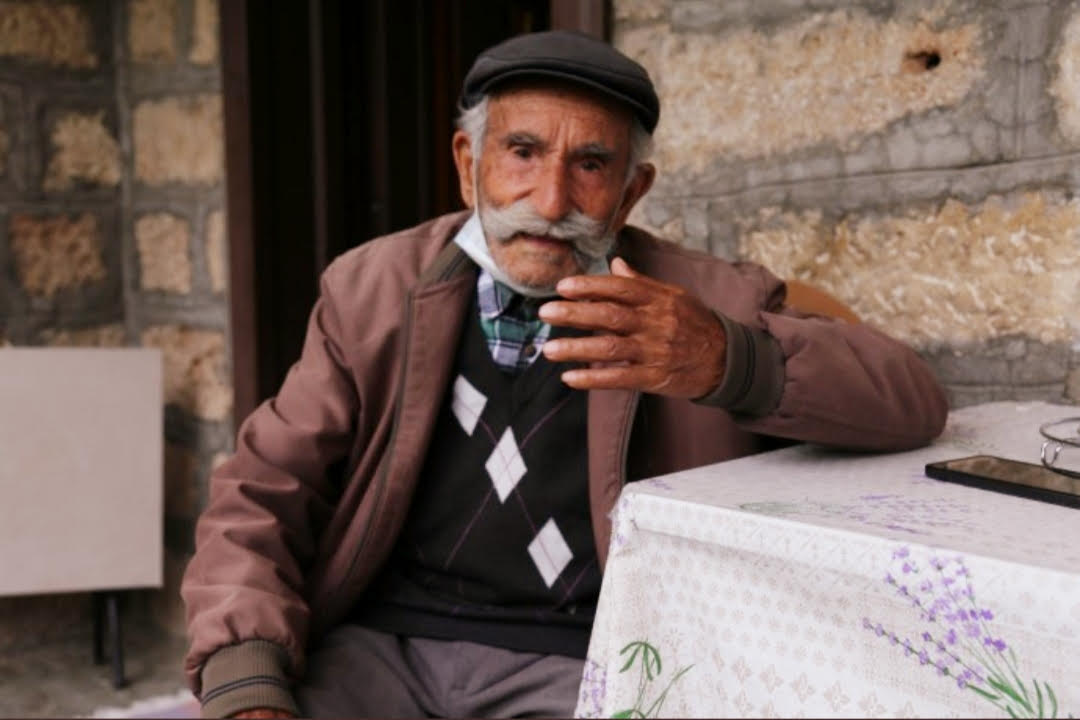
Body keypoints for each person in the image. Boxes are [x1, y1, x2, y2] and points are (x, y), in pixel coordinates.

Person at [182, 30, 948, 719]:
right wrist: (247, 680)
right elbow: (261, 491)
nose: (551, 202)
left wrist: (725, 358)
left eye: (590, 164)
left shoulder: (708, 300)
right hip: (383, 648)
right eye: (521, 153)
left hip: (582, 659)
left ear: (631, 191)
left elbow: (911, 401)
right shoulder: (372, 288)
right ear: (467, 163)